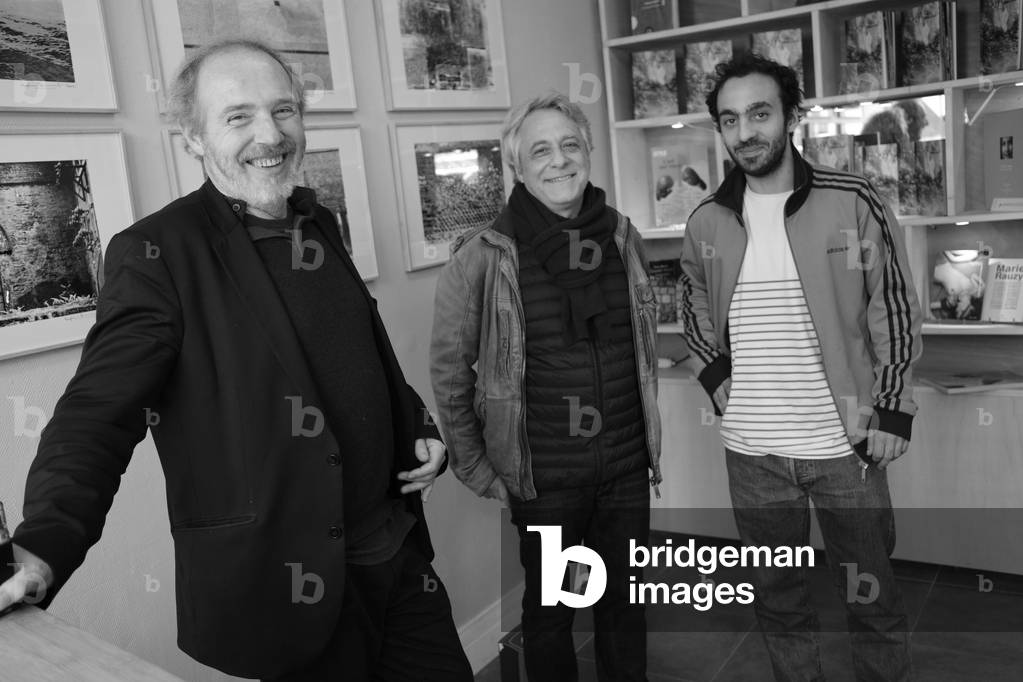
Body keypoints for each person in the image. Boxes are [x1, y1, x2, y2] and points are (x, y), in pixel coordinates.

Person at [0, 39, 472, 682]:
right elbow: (97, 413)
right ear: (193, 137)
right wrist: (45, 540)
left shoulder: (318, 222)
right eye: (238, 116)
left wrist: (417, 423)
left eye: (283, 110)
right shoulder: (157, 253)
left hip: (397, 555)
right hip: (293, 591)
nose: (270, 135)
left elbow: (356, 355)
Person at [679, 53, 922, 681]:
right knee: (779, 601)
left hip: (846, 447)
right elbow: (692, 299)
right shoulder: (707, 219)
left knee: (871, 599)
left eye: (759, 113)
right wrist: (714, 375)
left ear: (791, 116)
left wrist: (893, 406)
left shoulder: (852, 199)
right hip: (752, 454)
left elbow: (893, 304)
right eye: (729, 119)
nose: (745, 132)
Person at [431, 92, 662, 682]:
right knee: (555, 611)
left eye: (569, 144)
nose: (559, 160)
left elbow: (639, 347)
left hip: (624, 469)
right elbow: (451, 372)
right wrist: (476, 467)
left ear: (587, 151)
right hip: (546, 481)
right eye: (540, 151)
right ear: (517, 166)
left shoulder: (622, 236)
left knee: (623, 606)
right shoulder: (486, 255)